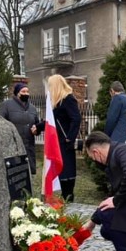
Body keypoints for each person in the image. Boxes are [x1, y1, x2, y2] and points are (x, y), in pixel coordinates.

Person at [47, 74, 82, 202]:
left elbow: (76, 118)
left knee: (67, 169)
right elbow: (52, 120)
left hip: (65, 142)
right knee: (62, 170)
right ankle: (65, 196)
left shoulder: (68, 99)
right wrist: (38, 127)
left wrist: (69, 137)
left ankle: (68, 196)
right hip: (58, 141)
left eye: (50, 85)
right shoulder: (57, 101)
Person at [0, 83, 43, 174]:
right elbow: (0, 123)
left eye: (27, 91)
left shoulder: (33, 108)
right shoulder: (6, 105)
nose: (26, 94)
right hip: (12, 146)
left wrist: (37, 130)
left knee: (28, 174)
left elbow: (36, 125)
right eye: (23, 91)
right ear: (17, 93)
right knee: (14, 174)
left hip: (29, 146)